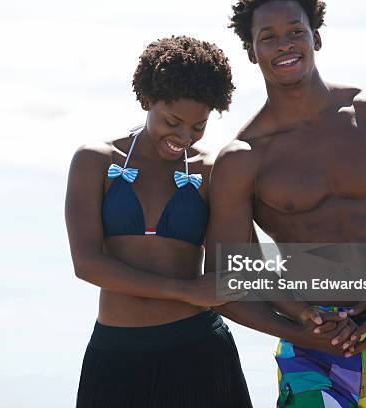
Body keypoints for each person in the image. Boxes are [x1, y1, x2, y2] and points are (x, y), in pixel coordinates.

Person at [203, 1, 366, 407]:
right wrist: (298, 329)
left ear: (316, 36)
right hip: (311, 348)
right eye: (268, 37)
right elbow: (225, 282)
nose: (284, 45)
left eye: (295, 31)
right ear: (251, 51)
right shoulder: (244, 158)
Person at [65, 35, 256, 408]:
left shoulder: (212, 170)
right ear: (147, 100)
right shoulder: (95, 161)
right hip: (115, 358)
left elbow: (241, 267)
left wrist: (308, 317)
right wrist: (185, 290)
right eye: (173, 121)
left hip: (198, 353)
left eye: (198, 126)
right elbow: (86, 264)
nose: (184, 137)